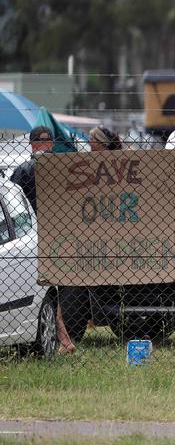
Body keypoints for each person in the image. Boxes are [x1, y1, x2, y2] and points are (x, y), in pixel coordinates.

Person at [9, 126, 77, 354]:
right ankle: (64, 338)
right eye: (41, 141)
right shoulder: (58, 169)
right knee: (51, 290)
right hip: (49, 237)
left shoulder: (24, 170)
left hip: (39, 238)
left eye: (46, 141)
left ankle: (64, 338)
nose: (44, 145)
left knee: (50, 290)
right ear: (33, 143)